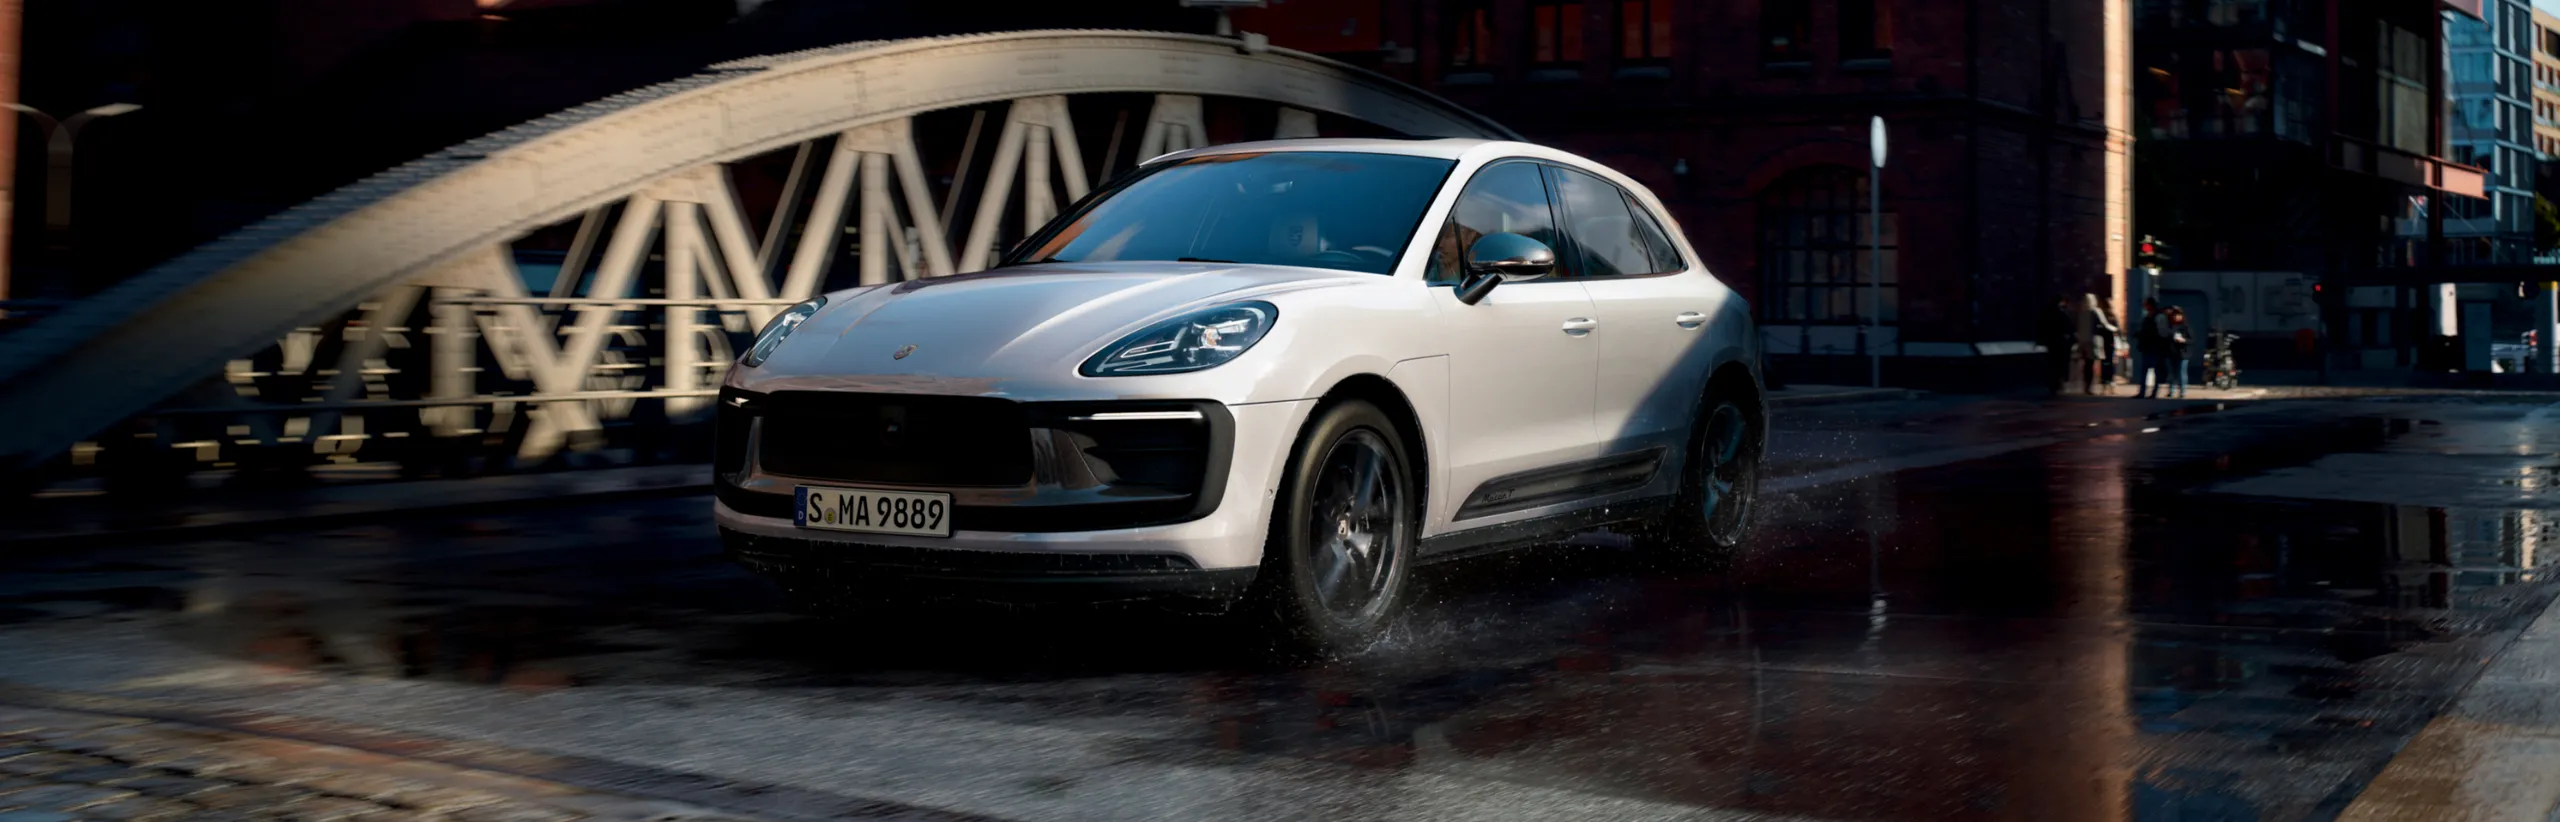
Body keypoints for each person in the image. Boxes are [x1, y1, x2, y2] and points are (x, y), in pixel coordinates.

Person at [2081, 294, 2119, 394]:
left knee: (2086, 364)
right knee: (2092, 363)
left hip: (2083, 341)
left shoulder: (2082, 312)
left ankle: (2086, 386)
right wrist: (2115, 329)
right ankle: (2090, 387)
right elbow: (2104, 324)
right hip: (2093, 340)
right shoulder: (2096, 311)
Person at [2038, 297, 2076, 395]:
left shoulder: (2047, 313)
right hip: (2060, 342)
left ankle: (2052, 384)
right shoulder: (2062, 314)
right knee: (2060, 363)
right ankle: (2058, 383)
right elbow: (2070, 327)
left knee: (2051, 363)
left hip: (2051, 342)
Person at [2134, 297, 2169, 398]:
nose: (2144, 306)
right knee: (2144, 370)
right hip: (2147, 347)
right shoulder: (2148, 316)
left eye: (2146, 304)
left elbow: (2161, 333)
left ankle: (2153, 392)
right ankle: (2142, 392)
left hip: (2155, 347)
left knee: (2155, 370)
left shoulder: (2158, 316)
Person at [2165, 306, 2192, 398]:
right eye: (2174, 315)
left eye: (2178, 315)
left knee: (2182, 372)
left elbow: (2192, 340)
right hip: (2172, 353)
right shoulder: (2170, 326)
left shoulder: (2186, 327)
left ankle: (2182, 391)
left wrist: (2183, 340)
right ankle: (2171, 391)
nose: (2176, 317)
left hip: (2183, 353)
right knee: (2172, 373)